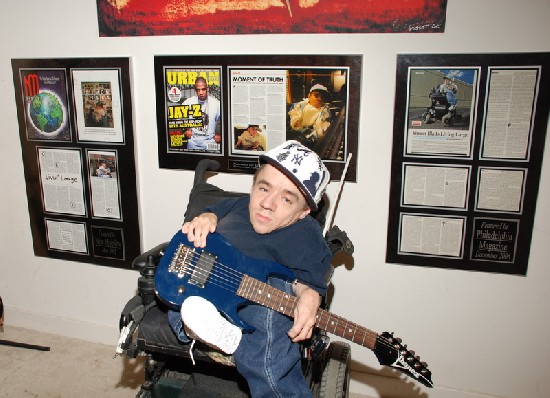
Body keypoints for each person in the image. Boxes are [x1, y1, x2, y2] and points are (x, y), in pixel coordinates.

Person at [171, 140, 332, 397]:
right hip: (207, 284)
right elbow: (214, 210)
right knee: (178, 302)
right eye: (263, 188)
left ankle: (224, 334)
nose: (267, 203)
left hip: (256, 301)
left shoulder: (308, 238)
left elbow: (309, 281)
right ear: (253, 185)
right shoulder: (240, 204)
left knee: (271, 306)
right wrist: (206, 218)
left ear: (303, 212)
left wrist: (309, 296)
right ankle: (209, 329)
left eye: (287, 199)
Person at [182, 76, 221, 151]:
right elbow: (178, 119)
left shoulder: (216, 104)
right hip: (193, 143)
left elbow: (223, 120)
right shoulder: (188, 102)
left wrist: (220, 134)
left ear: (207, 88)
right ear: (195, 90)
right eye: (198, 90)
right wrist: (185, 130)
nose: (201, 93)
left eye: (203, 89)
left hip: (210, 142)